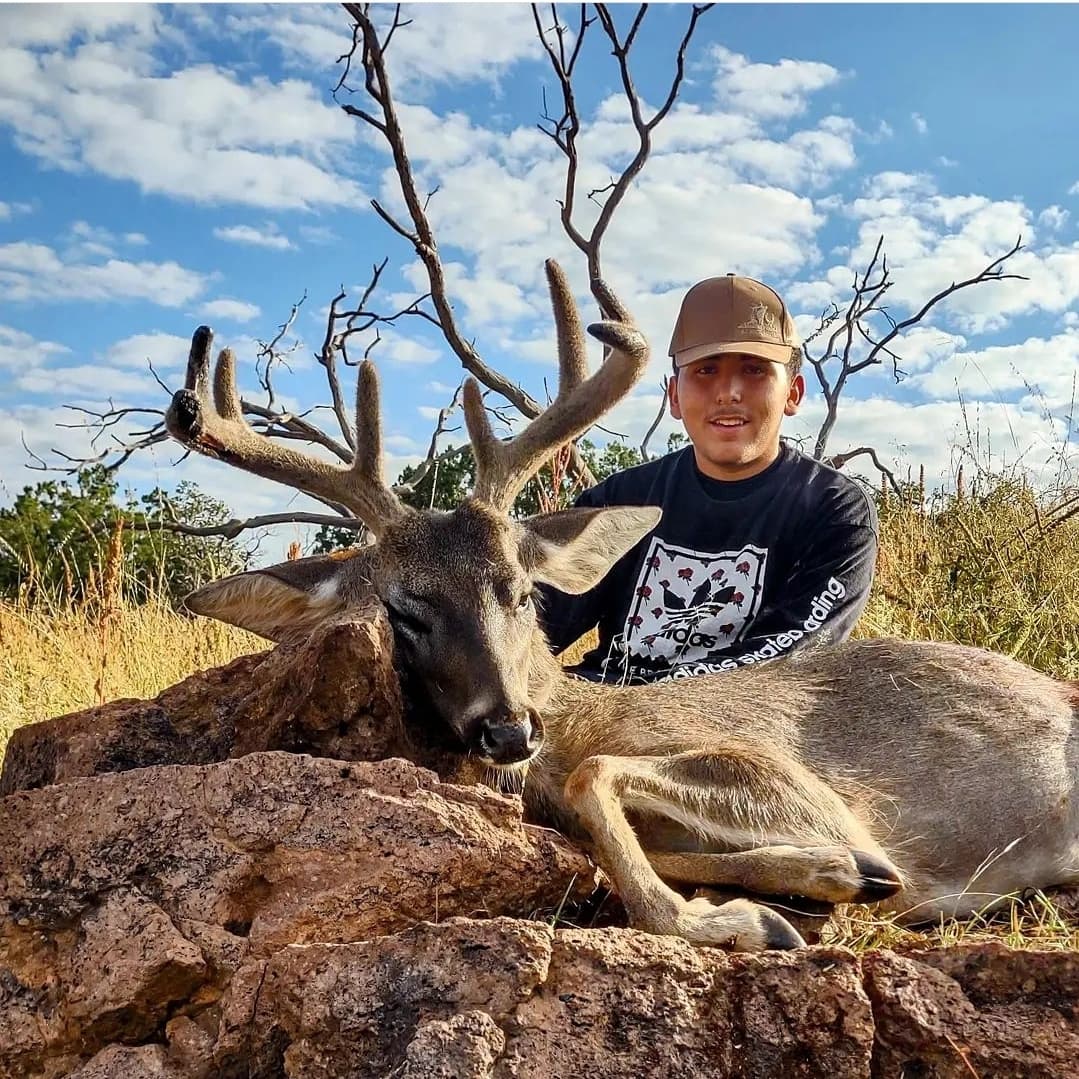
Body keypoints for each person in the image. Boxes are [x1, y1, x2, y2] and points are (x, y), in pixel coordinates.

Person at [538, 273, 879, 684]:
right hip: (602, 708)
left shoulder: (834, 509)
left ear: (793, 393)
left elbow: (790, 657)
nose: (728, 391)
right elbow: (533, 630)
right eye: (705, 370)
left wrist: (633, 701)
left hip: (742, 716)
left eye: (754, 370)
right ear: (674, 397)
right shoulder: (618, 502)